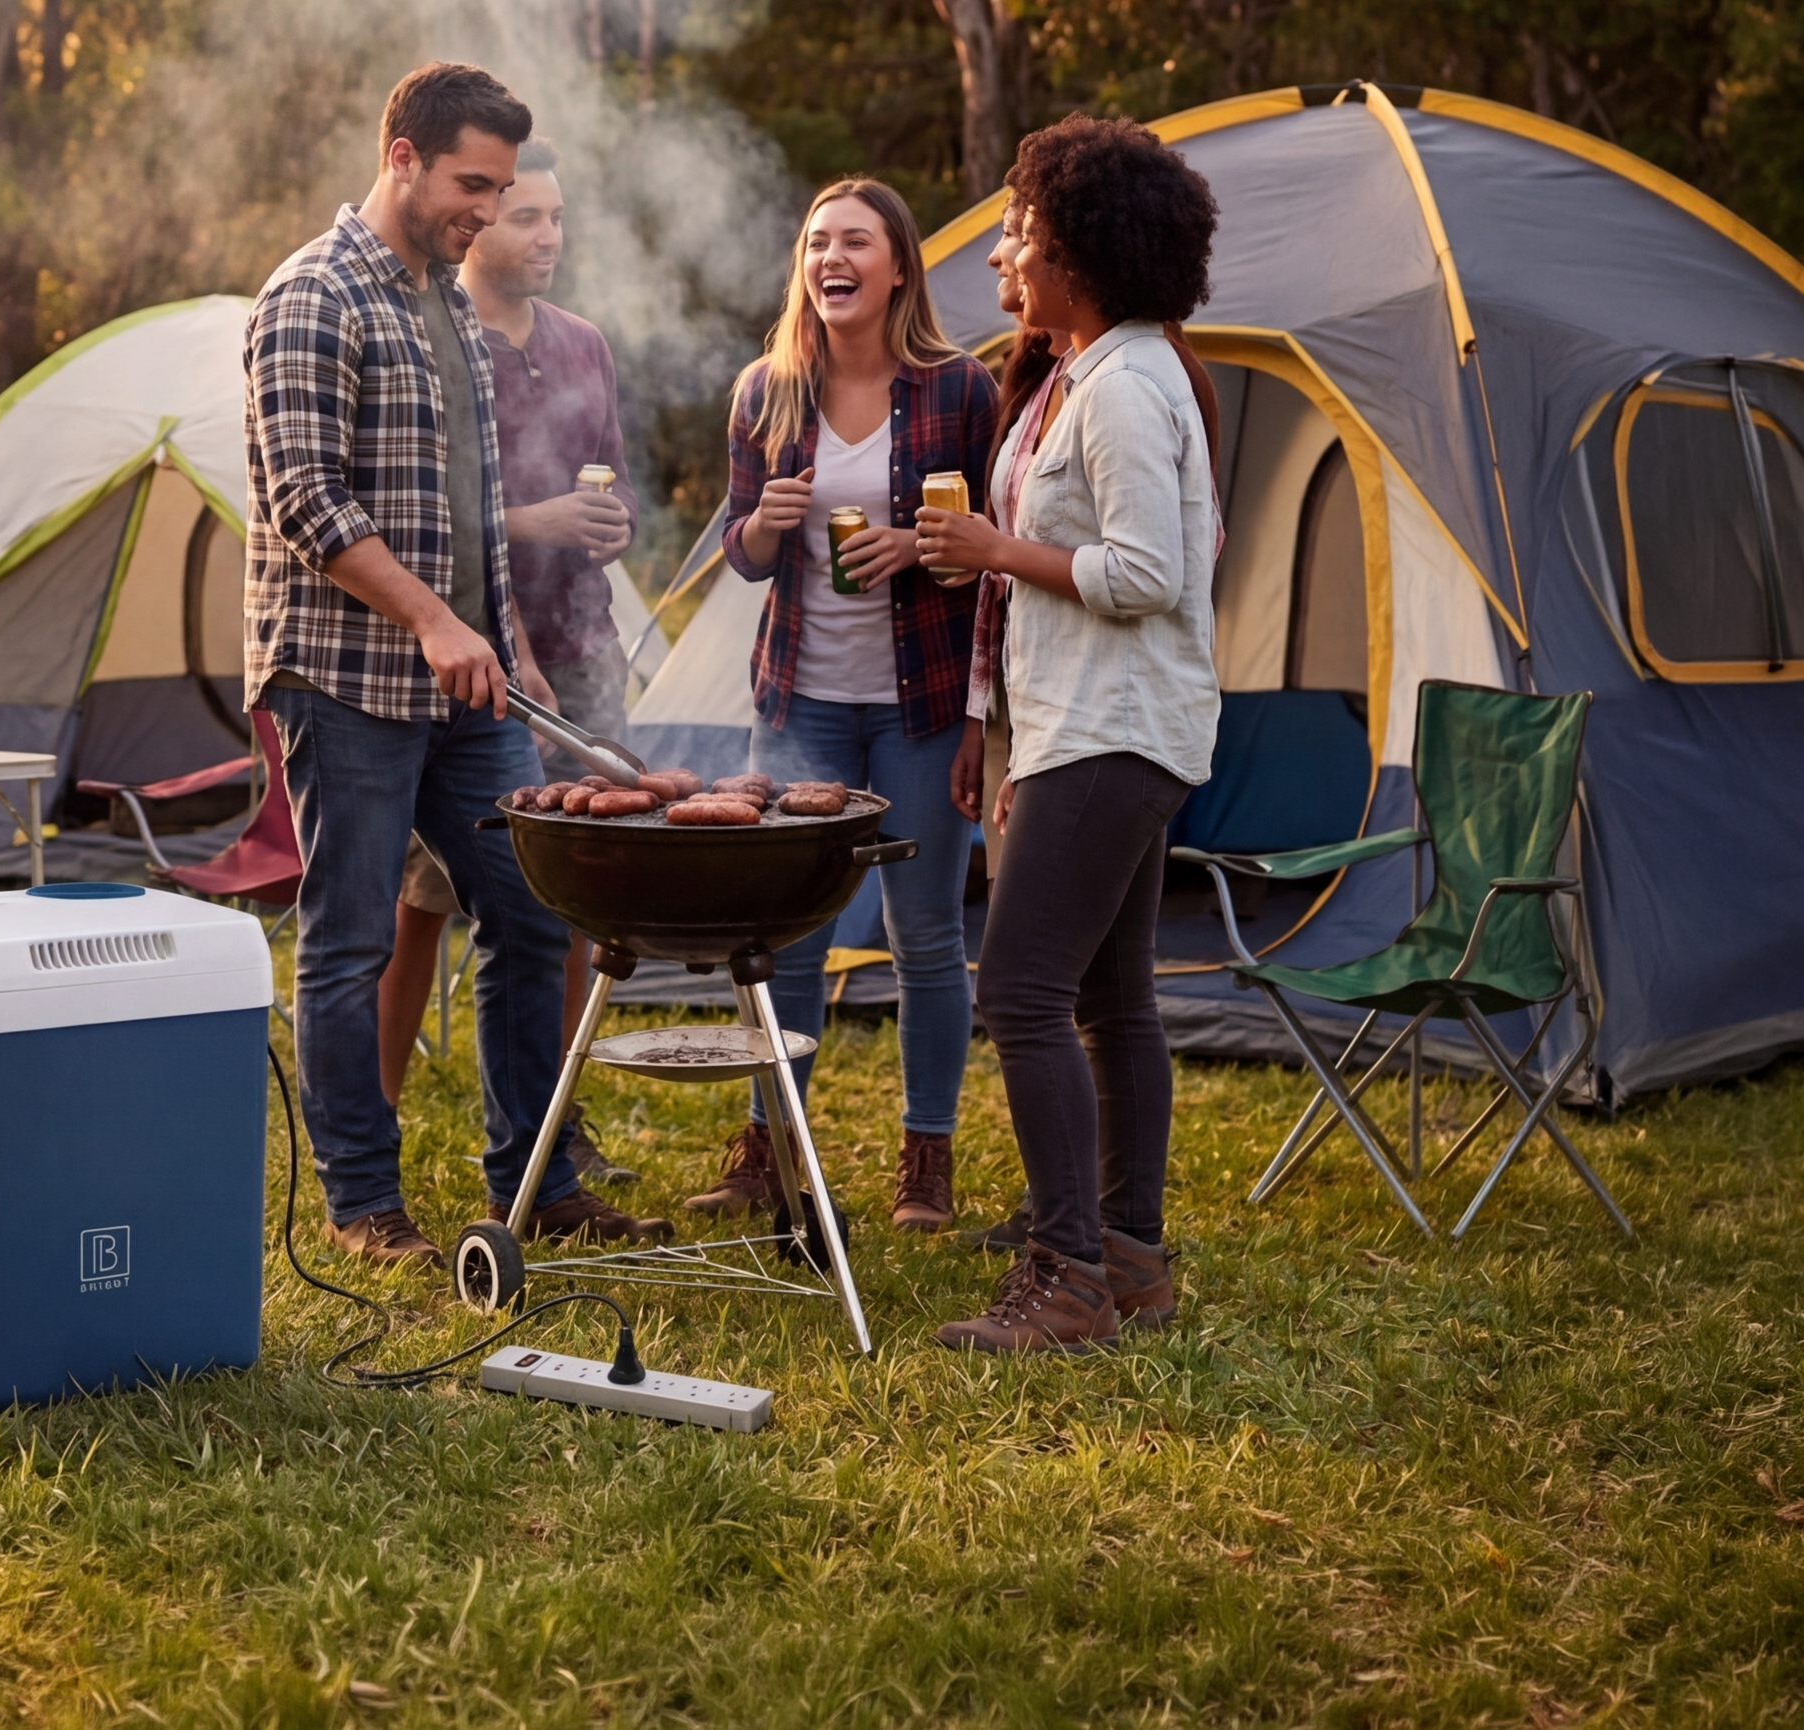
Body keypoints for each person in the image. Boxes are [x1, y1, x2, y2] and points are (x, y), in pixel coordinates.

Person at [245, 62, 672, 1269]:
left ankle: (535, 1175)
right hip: (346, 678)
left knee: (533, 912)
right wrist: (435, 619)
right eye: (470, 184)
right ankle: (362, 1204)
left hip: (473, 690)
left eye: (499, 189)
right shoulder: (312, 295)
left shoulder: (445, 302)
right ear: (402, 158)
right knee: (350, 939)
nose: (485, 210)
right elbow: (305, 501)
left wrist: (504, 644)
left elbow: (477, 516)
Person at [914, 114, 1222, 1353]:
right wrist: (991, 718)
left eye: (1021, 231)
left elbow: (1149, 569)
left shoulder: (1130, 385)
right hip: (1085, 720)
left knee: (1024, 992)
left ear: (1082, 250)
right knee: (1109, 996)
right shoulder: (1091, 373)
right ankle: (1131, 1256)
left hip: (1114, 726)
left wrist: (996, 550)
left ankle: (1066, 1273)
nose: (1006, 251)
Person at [689, 177, 999, 1234]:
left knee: (923, 938)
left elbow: (993, 551)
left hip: (919, 707)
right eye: (817, 240)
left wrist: (924, 547)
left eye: (855, 240)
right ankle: (770, 1149)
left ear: (898, 265)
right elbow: (738, 550)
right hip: (801, 703)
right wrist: (767, 527)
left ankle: (927, 1159)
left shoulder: (961, 391)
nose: (832, 256)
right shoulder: (766, 392)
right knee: (787, 939)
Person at [374, 137, 639, 1191]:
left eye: (555, 219)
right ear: (477, 221)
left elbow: (603, 478)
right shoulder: (439, 337)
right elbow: (429, 510)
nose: (545, 237)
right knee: (429, 900)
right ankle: (376, 1117)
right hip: (468, 657)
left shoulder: (582, 344)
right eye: (525, 215)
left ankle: (553, 1133)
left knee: (567, 897)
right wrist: (540, 517)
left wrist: (603, 527)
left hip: (581, 647)